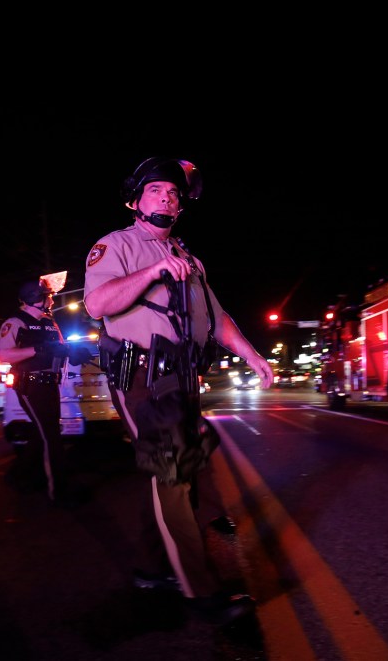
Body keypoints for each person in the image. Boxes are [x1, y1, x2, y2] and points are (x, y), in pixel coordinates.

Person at [83, 156, 273, 625]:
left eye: (173, 193)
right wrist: (150, 273)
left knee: (176, 470)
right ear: (135, 200)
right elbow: (96, 304)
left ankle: (152, 568)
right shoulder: (115, 245)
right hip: (142, 377)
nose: (166, 197)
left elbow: (217, 316)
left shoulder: (190, 258)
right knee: (175, 474)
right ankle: (201, 590)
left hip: (183, 376)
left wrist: (250, 354)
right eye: (155, 190)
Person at [0, 279, 91, 506]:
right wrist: (36, 349)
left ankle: (20, 474)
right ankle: (58, 491)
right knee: (51, 435)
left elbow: (58, 347)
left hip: (50, 383)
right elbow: (4, 355)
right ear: (35, 299)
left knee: (43, 433)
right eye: (48, 296)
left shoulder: (50, 323)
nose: (52, 299)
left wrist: (74, 353)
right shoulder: (15, 322)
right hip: (30, 384)